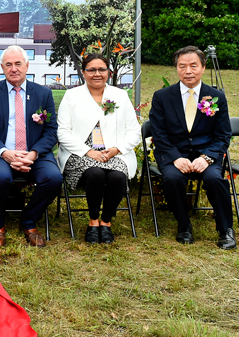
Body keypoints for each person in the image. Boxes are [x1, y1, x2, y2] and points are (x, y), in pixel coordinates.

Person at [0, 45, 61, 247]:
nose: (14, 69)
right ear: (2, 68)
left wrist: (32, 154)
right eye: (9, 65)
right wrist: (5, 152)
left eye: (18, 64)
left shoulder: (43, 94)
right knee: (0, 177)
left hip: (34, 153)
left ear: (27, 66)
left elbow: (51, 131)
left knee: (54, 178)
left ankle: (29, 221)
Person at [149, 46, 235, 249]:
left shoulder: (216, 97)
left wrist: (207, 158)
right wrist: (175, 157)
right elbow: (158, 133)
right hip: (173, 153)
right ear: (177, 69)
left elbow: (223, 135)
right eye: (182, 66)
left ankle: (225, 230)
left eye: (193, 65)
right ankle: (184, 225)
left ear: (203, 68)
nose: (188, 71)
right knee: (172, 178)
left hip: (206, 154)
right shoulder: (162, 97)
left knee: (215, 179)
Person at [57, 53, 141, 244]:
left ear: (109, 73)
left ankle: (106, 222)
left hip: (113, 151)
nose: (97, 74)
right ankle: (93, 221)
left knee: (117, 176)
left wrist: (116, 149)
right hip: (80, 152)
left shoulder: (119, 95)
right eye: (91, 70)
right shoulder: (72, 95)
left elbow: (134, 131)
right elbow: (62, 133)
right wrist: (89, 152)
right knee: (95, 174)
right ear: (83, 73)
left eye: (101, 69)